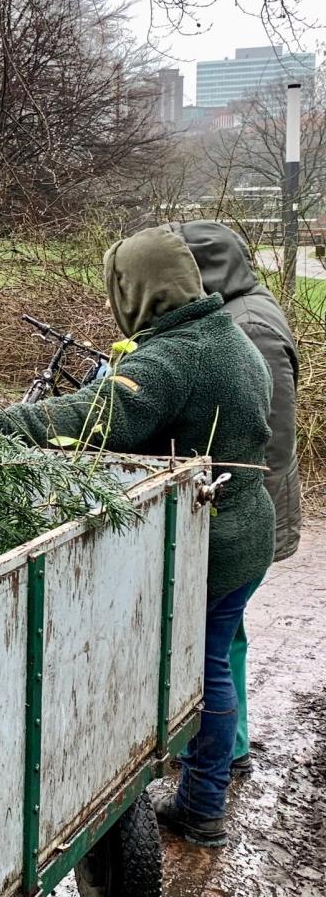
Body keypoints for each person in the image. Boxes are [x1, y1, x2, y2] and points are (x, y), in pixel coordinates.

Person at [0, 225, 274, 848]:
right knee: (214, 659)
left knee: (204, 672)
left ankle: (201, 807)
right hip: (247, 531)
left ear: (134, 289)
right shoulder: (227, 334)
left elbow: (89, 417)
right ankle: (205, 786)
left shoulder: (173, 357)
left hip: (214, 545)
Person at [172, 220, 301, 778]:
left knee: (218, 639)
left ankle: (224, 748)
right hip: (254, 496)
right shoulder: (254, 307)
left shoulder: (244, 325)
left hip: (244, 500)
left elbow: (254, 429)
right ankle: (223, 745)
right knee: (227, 630)